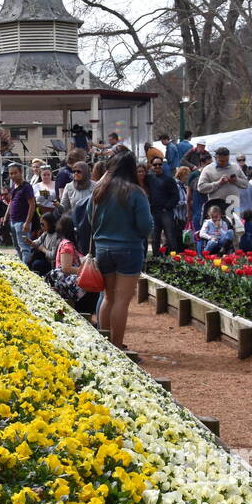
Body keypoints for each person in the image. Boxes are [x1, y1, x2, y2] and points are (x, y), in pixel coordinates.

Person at [91, 150, 153, 352]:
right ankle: (117, 345)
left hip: (102, 248)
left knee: (108, 297)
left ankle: (104, 342)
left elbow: (88, 220)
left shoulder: (99, 190)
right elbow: (145, 226)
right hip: (129, 248)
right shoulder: (135, 192)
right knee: (122, 300)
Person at [46, 214, 100, 317]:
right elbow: (66, 268)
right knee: (92, 287)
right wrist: (83, 271)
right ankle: (85, 315)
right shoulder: (67, 245)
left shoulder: (66, 243)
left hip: (66, 280)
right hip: (66, 282)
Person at [195, 146, 246, 220]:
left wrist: (236, 180)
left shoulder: (236, 167)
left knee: (235, 228)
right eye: (221, 161)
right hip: (216, 207)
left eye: (227, 160)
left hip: (234, 205)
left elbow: (246, 184)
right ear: (215, 158)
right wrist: (218, 183)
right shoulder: (207, 169)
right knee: (218, 229)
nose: (224, 163)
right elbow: (201, 187)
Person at [145, 156, 179, 253]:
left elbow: (175, 196)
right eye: (155, 164)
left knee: (170, 236)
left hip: (166, 212)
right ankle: (155, 259)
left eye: (160, 164)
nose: (158, 166)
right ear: (152, 166)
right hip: (153, 212)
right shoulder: (149, 178)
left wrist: (167, 207)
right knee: (155, 237)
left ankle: (175, 259)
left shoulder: (169, 179)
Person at [6, 163, 36, 263]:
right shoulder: (14, 186)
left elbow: (32, 204)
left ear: (21, 172)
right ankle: (21, 268)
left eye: (15, 173)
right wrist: (6, 216)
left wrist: (27, 222)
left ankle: (25, 271)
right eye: (11, 174)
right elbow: (11, 202)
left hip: (22, 222)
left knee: (25, 248)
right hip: (13, 221)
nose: (13, 176)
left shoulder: (27, 187)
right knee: (17, 247)